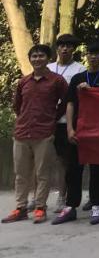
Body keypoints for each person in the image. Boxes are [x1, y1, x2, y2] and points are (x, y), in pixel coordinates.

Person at [53, 40, 99, 225]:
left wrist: (93, 91)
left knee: (97, 169)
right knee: (73, 169)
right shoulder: (78, 77)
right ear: (86, 56)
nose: (93, 57)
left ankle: (97, 205)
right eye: (90, 53)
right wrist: (70, 128)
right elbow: (70, 104)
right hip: (78, 129)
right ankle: (70, 206)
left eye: (97, 53)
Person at [4, 44, 67, 225]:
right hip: (22, 133)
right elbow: (17, 105)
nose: (37, 59)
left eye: (41, 56)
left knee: (42, 174)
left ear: (48, 59)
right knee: (21, 174)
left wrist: (53, 117)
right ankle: (21, 208)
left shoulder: (57, 81)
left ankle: (40, 207)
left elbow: (67, 101)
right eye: (34, 56)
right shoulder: (23, 81)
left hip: (44, 133)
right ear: (30, 59)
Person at [47, 34, 85, 217]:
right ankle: (38, 199)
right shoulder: (48, 68)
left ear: (73, 49)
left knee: (67, 162)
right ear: (57, 48)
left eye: (69, 46)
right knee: (48, 161)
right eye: (62, 45)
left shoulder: (80, 69)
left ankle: (63, 197)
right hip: (48, 121)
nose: (65, 49)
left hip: (67, 121)